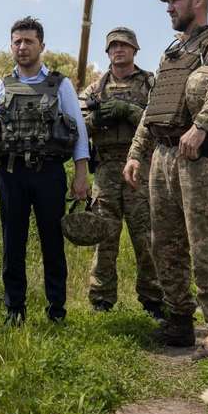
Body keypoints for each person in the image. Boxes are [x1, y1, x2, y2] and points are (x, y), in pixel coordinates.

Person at [123, 0, 208, 355]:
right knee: (165, 243)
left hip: (199, 156)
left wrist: (201, 125)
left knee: (205, 245)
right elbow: (154, 106)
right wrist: (136, 153)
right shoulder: (172, 52)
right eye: (167, 1)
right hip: (162, 156)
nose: (169, 8)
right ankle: (178, 320)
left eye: (175, 0)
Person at [0, 16, 89, 325]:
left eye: (29, 41)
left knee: (53, 242)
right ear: (11, 45)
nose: (22, 47)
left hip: (49, 173)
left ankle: (56, 310)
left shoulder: (60, 84)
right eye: (17, 41)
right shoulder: (1, 86)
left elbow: (79, 132)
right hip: (11, 174)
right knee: (13, 243)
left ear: (42, 46)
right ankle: (15, 310)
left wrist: (81, 175)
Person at [79, 27, 163, 319]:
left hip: (141, 166)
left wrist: (129, 111)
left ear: (135, 50)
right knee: (105, 236)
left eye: (124, 45)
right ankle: (101, 299)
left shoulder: (150, 83)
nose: (118, 50)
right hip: (106, 169)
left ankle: (154, 300)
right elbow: (77, 126)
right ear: (107, 52)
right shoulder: (95, 89)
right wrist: (97, 119)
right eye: (113, 46)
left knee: (147, 238)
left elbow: (161, 121)